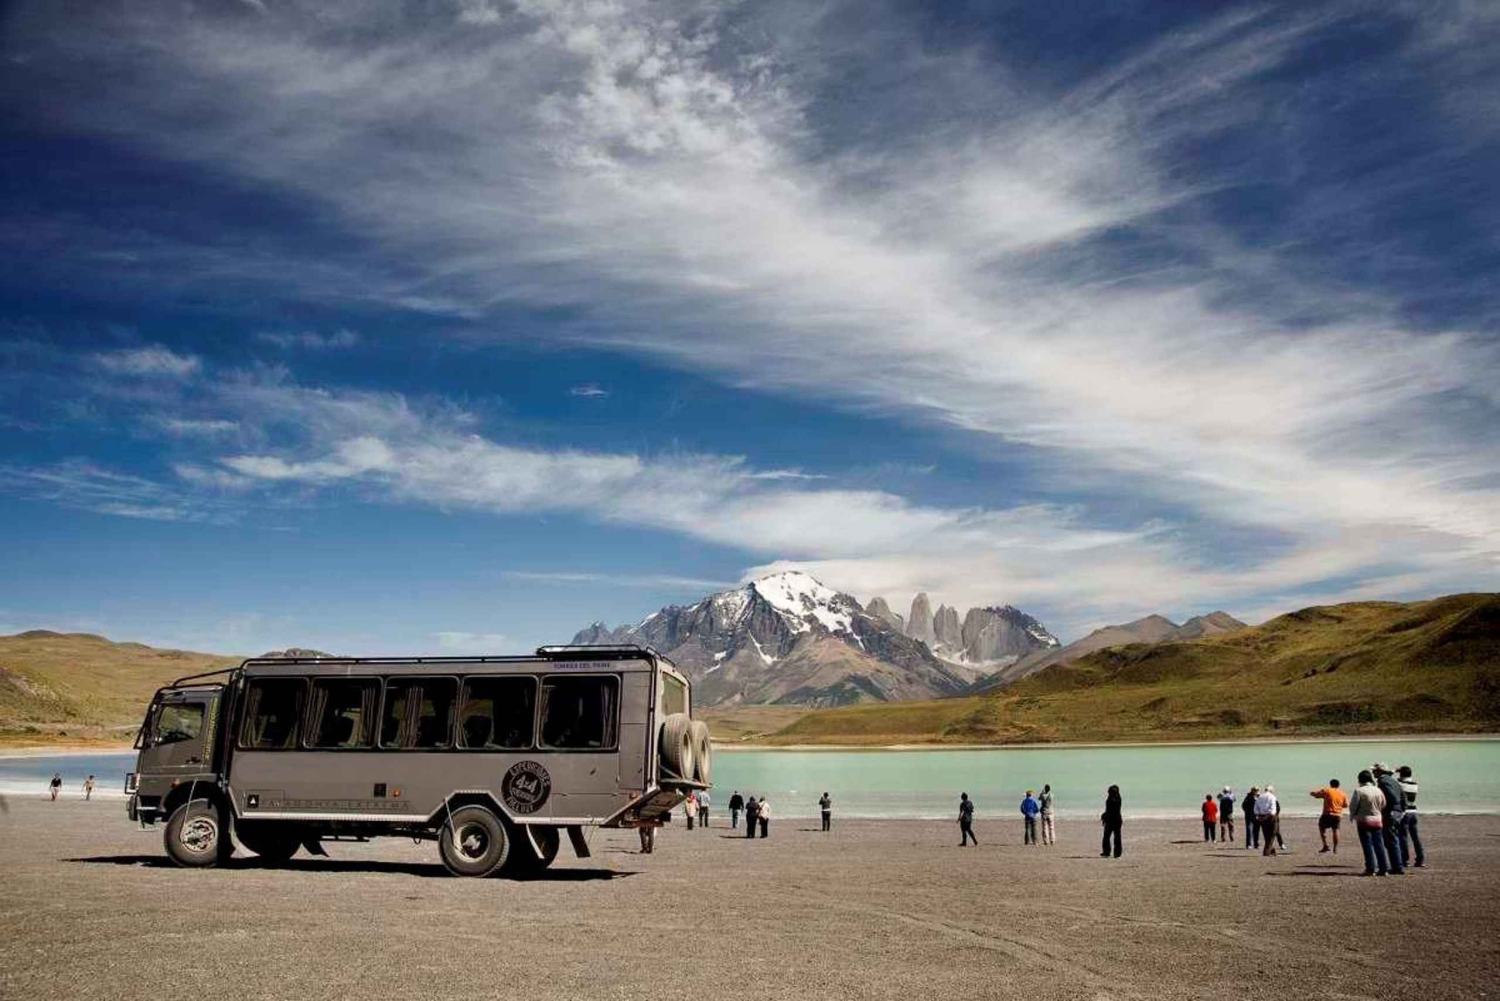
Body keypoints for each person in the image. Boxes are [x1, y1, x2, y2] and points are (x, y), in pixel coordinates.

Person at [1350, 769, 1390, 876]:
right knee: (1379, 844)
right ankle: (1383, 868)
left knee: (1367, 845)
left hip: (1364, 820)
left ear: (1360, 780)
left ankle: (1370, 868)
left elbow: (1353, 805)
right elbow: (1384, 804)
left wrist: (1352, 816)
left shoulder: (1359, 791)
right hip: (1377, 820)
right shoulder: (1378, 790)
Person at [1372, 763, 1406, 875]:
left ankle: (1398, 867)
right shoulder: (1393, 780)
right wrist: (1402, 809)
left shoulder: (1383, 781)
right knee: (1393, 839)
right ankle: (1398, 865)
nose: (1373, 772)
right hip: (1397, 811)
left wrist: (1386, 807)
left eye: (1375, 771)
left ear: (1380, 771)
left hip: (1390, 812)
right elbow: (1402, 796)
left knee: (1390, 840)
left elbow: (1392, 796)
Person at [1396, 765, 1425, 868]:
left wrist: (1393, 771)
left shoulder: (1400, 784)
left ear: (1401, 774)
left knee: (1403, 837)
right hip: (1413, 812)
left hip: (1404, 812)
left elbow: (1392, 782)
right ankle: (1420, 859)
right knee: (1415, 837)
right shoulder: (1415, 784)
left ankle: (1405, 860)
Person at [1310, 778, 1347, 854]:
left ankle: (1325, 845)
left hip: (1327, 813)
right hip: (1337, 814)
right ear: (1338, 785)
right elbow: (1345, 805)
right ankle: (1335, 848)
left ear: (1330, 785)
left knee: (1321, 828)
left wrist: (1312, 793)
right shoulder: (1342, 793)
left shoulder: (1327, 791)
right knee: (1335, 831)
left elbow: (1317, 794)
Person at [1254, 785, 1279, 856]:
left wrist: (1259, 816)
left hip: (1262, 817)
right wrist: (1268, 815)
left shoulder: (1260, 797)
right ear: (1271, 791)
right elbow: (1273, 810)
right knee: (1272, 834)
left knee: (1267, 835)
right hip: (1271, 817)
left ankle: (1272, 850)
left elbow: (1255, 809)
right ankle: (1266, 851)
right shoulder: (1272, 797)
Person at [1100, 785, 1123, 858]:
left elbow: (1112, 810)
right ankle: (1108, 852)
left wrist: (1105, 816)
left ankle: (1115, 853)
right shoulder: (1115, 798)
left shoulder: (1115, 799)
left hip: (1113, 820)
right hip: (1113, 820)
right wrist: (1104, 815)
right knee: (1109, 837)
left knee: (1114, 837)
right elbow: (1108, 810)